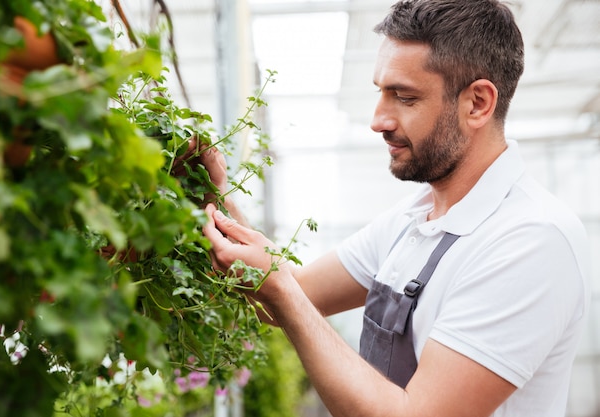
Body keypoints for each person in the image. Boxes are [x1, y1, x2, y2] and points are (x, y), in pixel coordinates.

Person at [201, 0, 591, 416]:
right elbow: (293, 294)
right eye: (380, 92)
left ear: (477, 103)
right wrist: (212, 192)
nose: (378, 119)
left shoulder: (529, 241)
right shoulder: (414, 219)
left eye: (404, 97)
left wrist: (281, 288)